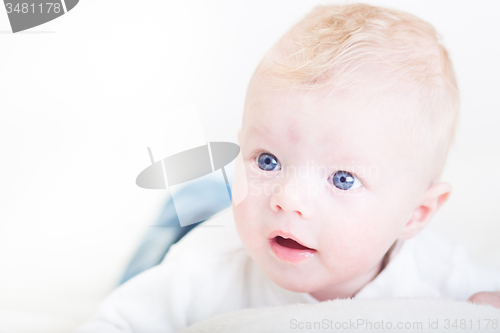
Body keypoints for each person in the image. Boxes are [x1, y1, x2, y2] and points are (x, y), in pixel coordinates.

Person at [75, 3, 500, 332]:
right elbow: (118, 320)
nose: (288, 198)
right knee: (173, 234)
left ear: (416, 214)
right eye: (267, 160)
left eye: (343, 179)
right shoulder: (204, 270)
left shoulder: (441, 278)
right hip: (204, 225)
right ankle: (197, 197)